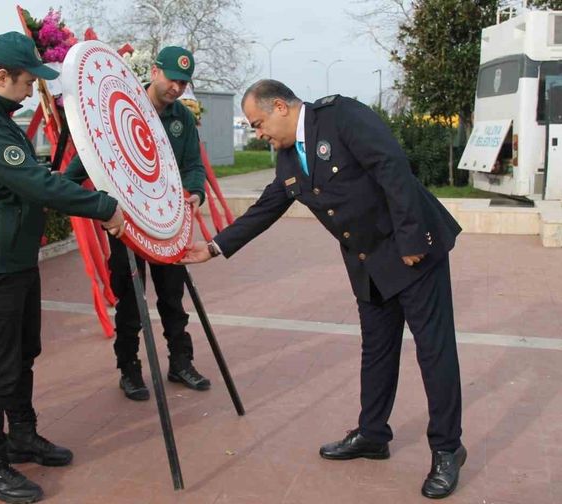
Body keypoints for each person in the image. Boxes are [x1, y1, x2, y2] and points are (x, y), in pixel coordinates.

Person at [180, 79, 466, 499]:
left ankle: (447, 448)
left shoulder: (341, 116)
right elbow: (268, 206)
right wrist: (215, 247)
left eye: (259, 124)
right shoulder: (288, 157)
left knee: (434, 351)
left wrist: (410, 241)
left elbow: (392, 167)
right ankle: (373, 434)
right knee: (378, 350)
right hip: (367, 261)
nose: (259, 134)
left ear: (280, 106)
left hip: (412, 251)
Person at [0, 31, 126, 504]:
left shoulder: (1, 122)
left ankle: (22, 436)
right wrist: (103, 206)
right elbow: (37, 187)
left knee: (22, 356)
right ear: (1, 76)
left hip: (15, 264)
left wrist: (81, 167)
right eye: (27, 81)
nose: (32, 91)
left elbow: (37, 183)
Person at [66, 47, 210, 401]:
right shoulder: (121, 106)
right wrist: (63, 185)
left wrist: (195, 193)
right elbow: (94, 153)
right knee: (130, 302)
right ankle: (129, 370)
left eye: (184, 82)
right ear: (155, 71)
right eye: (173, 79)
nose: (177, 88)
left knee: (173, 299)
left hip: (169, 225)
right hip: (126, 224)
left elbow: (193, 164)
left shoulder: (183, 120)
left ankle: (181, 362)